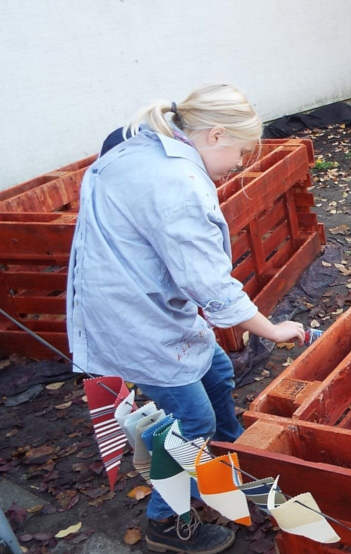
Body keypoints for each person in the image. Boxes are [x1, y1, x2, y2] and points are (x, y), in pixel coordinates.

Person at [66, 84, 315, 553]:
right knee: (190, 421)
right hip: (132, 318)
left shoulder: (145, 145)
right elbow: (209, 283)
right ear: (215, 135)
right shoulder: (175, 183)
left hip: (139, 298)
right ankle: (168, 521)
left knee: (218, 372)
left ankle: (232, 456)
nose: (241, 163)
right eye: (241, 151)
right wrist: (271, 329)